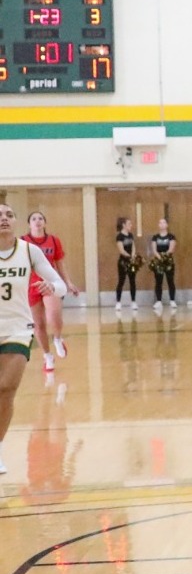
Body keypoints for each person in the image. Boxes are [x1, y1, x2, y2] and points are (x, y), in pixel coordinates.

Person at [0, 203, 69, 474]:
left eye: (9, 214)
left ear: (16, 221)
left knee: (6, 388)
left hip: (17, 328)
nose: (4, 219)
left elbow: (60, 284)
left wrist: (52, 286)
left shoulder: (29, 251)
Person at [22, 211, 76, 374]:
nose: (37, 221)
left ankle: (58, 338)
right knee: (38, 324)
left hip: (51, 283)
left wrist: (68, 283)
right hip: (31, 285)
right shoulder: (23, 242)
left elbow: (59, 263)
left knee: (54, 316)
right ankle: (47, 356)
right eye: (33, 219)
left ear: (45, 223)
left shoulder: (53, 240)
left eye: (40, 219)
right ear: (29, 224)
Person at [149, 219, 177, 312]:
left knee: (170, 280)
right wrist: (159, 257)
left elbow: (172, 248)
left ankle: (172, 300)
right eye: (160, 223)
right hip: (158, 261)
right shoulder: (155, 237)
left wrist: (165, 256)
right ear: (158, 225)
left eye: (164, 222)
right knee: (158, 281)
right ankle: (158, 301)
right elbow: (154, 249)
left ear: (167, 225)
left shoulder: (171, 236)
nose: (162, 224)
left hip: (168, 261)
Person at [115, 217, 139, 310]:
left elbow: (133, 246)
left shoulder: (131, 235)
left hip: (131, 262)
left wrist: (133, 255)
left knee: (132, 281)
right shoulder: (119, 236)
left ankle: (133, 302)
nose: (131, 226)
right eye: (129, 224)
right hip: (123, 262)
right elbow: (121, 250)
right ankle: (118, 302)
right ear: (124, 225)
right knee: (121, 281)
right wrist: (129, 256)